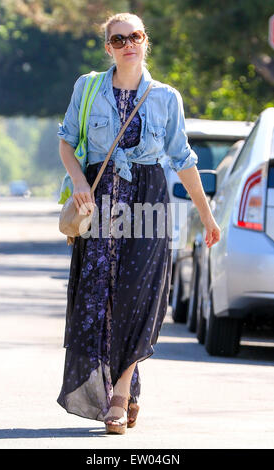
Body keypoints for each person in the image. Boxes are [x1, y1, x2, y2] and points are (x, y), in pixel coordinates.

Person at [56, 12, 221, 435]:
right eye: (119, 38)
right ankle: (122, 386)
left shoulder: (166, 97)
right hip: (100, 201)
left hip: (149, 201)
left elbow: (183, 160)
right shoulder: (88, 87)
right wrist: (79, 183)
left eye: (136, 36)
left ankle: (120, 393)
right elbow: (67, 141)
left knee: (139, 295)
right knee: (98, 297)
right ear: (108, 46)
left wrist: (206, 213)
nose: (129, 43)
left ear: (146, 42)